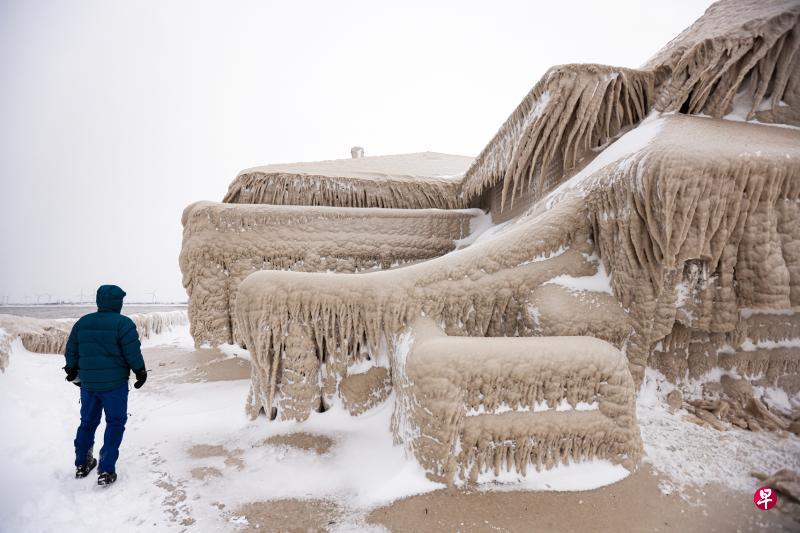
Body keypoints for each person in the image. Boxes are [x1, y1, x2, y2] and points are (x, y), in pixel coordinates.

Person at [63, 285, 148, 486]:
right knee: (115, 423)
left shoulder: (82, 323)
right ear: (118, 302)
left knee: (87, 423)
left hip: (89, 385)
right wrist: (140, 371)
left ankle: (82, 464)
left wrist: (72, 370)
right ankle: (106, 469)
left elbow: (71, 351)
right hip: (115, 386)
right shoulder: (123, 324)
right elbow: (132, 352)